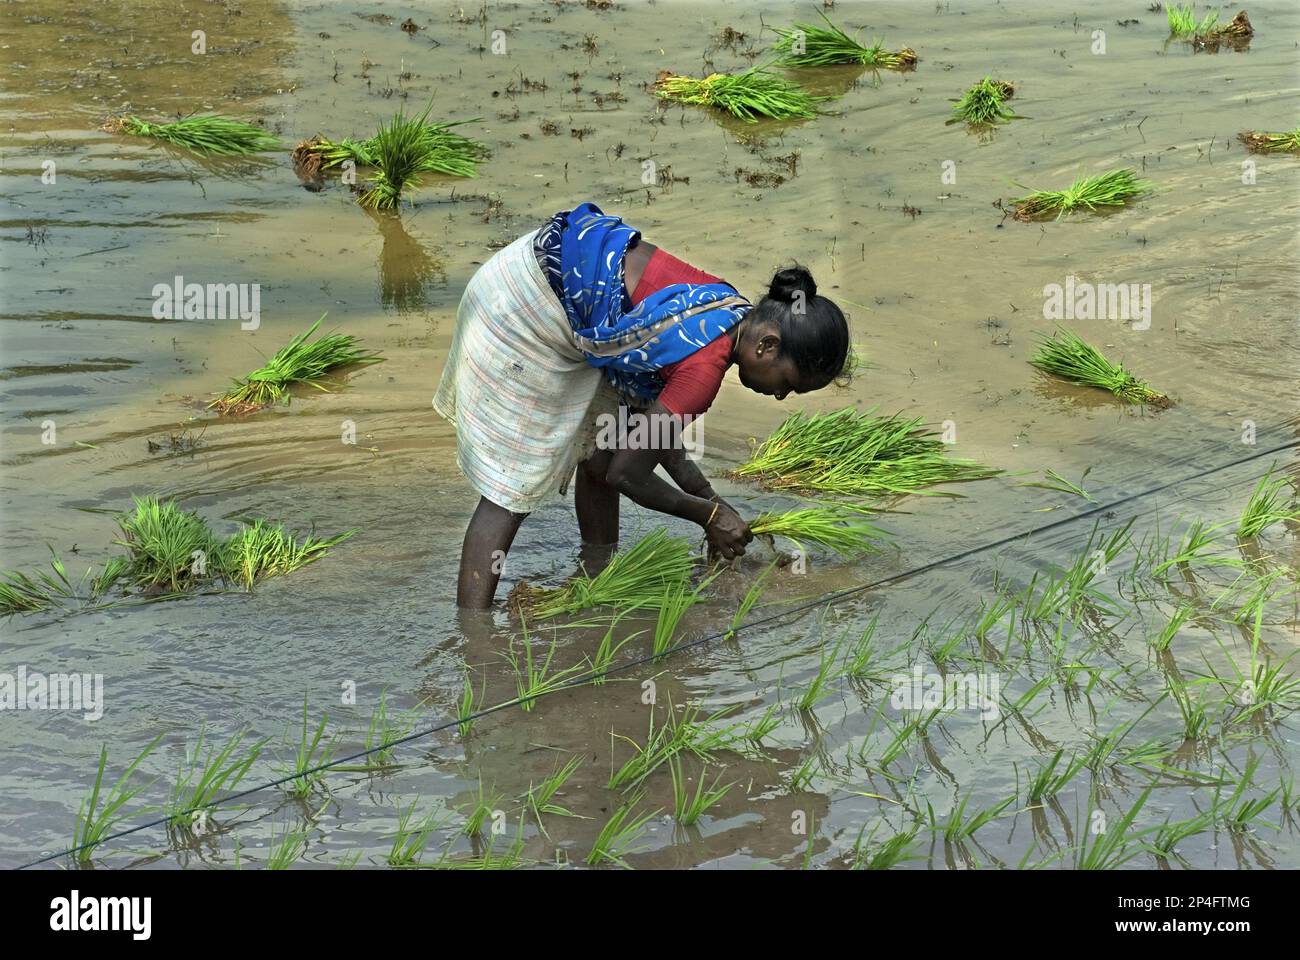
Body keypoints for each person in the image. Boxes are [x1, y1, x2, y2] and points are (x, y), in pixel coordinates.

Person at [434, 201, 850, 609]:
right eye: (788, 385)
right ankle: (475, 637)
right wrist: (707, 517)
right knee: (512, 489)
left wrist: (711, 500)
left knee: (602, 444)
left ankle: (595, 575)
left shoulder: (723, 310)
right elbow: (628, 472)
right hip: (522, 308)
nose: (780, 397)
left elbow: (649, 436)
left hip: (534, 270)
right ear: (767, 345)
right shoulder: (703, 369)